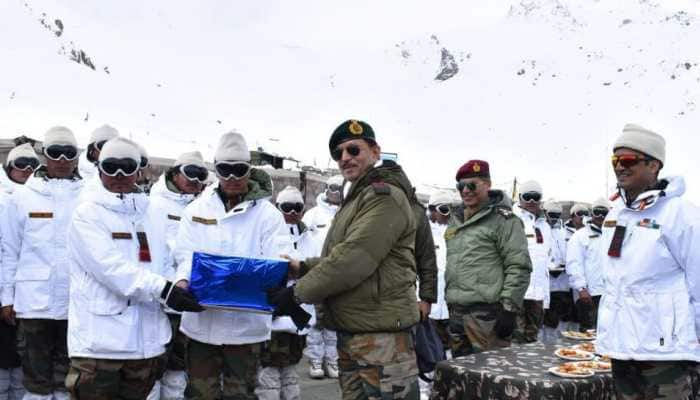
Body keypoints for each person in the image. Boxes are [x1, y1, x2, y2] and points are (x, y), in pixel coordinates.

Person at [270, 119, 421, 400]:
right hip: (355, 332)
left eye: (354, 150)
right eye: (338, 154)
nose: (345, 159)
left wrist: (296, 294)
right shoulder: (359, 197)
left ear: (375, 151)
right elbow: (338, 256)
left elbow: (354, 260)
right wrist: (302, 267)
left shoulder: (383, 197)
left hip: (381, 338)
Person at [65, 137, 203, 399]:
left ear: (138, 171)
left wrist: (179, 283)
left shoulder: (151, 213)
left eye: (127, 167)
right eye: (110, 167)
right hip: (100, 347)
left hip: (145, 344)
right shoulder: (87, 214)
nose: (119, 175)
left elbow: (165, 261)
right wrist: (165, 289)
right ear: (99, 169)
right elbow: (111, 270)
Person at [173, 131, 292, 400]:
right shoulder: (196, 210)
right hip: (202, 324)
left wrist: (279, 281)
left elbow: (279, 256)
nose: (232, 178)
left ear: (249, 170)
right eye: (225, 170)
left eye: (239, 170)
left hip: (246, 328)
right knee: (200, 394)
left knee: (242, 394)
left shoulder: (268, 216)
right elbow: (184, 255)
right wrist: (182, 281)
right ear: (216, 169)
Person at [597, 123, 700, 399]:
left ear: (654, 165)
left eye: (629, 160)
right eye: (615, 160)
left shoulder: (681, 214)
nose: (620, 167)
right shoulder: (614, 214)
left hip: (664, 348)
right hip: (620, 345)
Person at [0, 127, 84, 400]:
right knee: (35, 378)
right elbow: (9, 251)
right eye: (54, 152)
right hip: (33, 301)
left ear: (77, 157)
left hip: (76, 301)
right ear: (44, 155)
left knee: (67, 378)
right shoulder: (23, 197)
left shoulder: (88, 197)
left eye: (68, 153)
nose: (61, 159)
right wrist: (6, 297)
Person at [444, 160, 531, 357]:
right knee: (461, 376)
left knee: (491, 377)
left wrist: (509, 309)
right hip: (457, 313)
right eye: (461, 186)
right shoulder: (456, 221)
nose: (465, 191)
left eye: (472, 185)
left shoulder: (504, 221)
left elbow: (519, 266)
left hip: (488, 316)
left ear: (488, 184)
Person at [149, 151, 208, 400]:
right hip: (159, 297)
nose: (194, 180)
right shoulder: (153, 204)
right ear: (175, 173)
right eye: (189, 173)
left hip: (189, 300)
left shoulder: (204, 206)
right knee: (152, 364)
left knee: (179, 364)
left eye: (200, 175)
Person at [256, 186, 316, 400]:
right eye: (286, 207)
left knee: (290, 371)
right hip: (273, 315)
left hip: (299, 315)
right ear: (277, 207)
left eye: (297, 207)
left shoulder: (310, 235)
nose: (292, 212)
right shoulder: (267, 231)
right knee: (268, 374)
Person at [0, 143, 40, 400]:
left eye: (32, 165)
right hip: (5, 282)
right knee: (4, 351)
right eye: (20, 164)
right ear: (9, 167)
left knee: (26, 353)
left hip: (32, 287)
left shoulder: (42, 197)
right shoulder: (3, 196)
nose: (26, 170)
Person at [301, 175, 343, 379]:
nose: (335, 192)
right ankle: (316, 361)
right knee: (315, 322)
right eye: (332, 188)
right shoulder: (312, 215)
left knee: (333, 323)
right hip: (316, 274)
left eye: (340, 188)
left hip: (338, 276)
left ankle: (332, 361)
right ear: (326, 189)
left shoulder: (347, 214)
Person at [513, 181, 553, 344]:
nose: (531, 202)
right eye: (527, 197)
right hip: (517, 291)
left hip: (538, 291)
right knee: (515, 338)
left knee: (532, 338)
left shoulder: (545, 225)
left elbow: (547, 258)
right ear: (520, 198)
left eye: (535, 197)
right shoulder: (512, 221)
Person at [566, 197, 609, 332]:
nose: (601, 216)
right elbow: (574, 263)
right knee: (589, 331)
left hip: (610, 292)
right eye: (597, 212)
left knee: (607, 330)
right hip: (590, 293)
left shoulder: (614, 234)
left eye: (604, 212)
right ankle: (584, 353)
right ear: (591, 213)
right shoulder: (580, 236)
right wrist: (581, 288)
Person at [541, 201, 575, 342]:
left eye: (556, 215)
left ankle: (560, 342)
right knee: (547, 317)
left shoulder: (563, 233)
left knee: (563, 314)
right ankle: (545, 343)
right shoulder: (540, 229)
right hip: (547, 282)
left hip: (562, 282)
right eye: (551, 215)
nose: (553, 218)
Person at [425, 190, 453, 351]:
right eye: (444, 209)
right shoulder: (423, 231)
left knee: (449, 339)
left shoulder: (455, 232)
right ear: (432, 209)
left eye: (450, 209)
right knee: (428, 340)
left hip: (450, 299)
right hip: (429, 298)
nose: (447, 214)